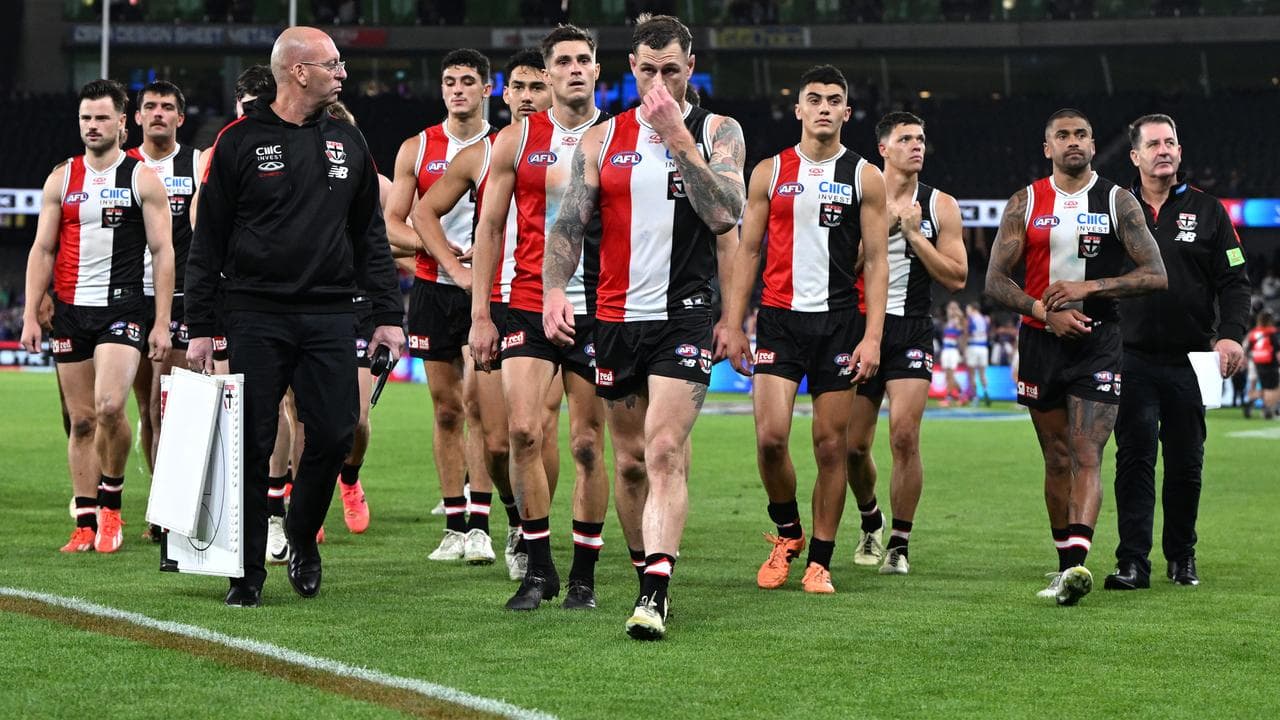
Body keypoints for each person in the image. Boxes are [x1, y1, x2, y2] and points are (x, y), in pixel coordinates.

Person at [542, 13, 746, 639]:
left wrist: (678, 139)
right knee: (628, 461)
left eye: (673, 70)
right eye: (649, 69)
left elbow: (726, 214)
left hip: (682, 314)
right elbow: (570, 225)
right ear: (630, 69)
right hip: (614, 316)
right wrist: (553, 289)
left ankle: (656, 592)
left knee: (663, 449)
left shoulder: (718, 132)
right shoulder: (600, 141)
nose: (661, 80)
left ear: (690, 68)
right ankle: (642, 574)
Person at [186, 26, 405, 608]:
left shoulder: (349, 142)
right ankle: (246, 571)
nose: (343, 74)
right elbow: (207, 242)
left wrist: (388, 313)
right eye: (332, 64)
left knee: (335, 433)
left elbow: (370, 238)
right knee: (252, 445)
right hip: (254, 313)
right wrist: (202, 326)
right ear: (298, 71)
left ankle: (303, 536)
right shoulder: (236, 141)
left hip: (331, 312)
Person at [984, 108, 1167, 606]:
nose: (1073, 142)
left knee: (1088, 453)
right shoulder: (1025, 202)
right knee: (1057, 456)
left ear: (1092, 144)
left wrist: (1090, 286)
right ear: (1048, 147)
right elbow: (995, 281)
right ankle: (1065, 564)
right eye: (1062, 135)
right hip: (1041, 341)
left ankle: (1076, 565)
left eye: (1082, 134)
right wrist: (1045, 311)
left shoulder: (1117, 200)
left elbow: (1155, 273)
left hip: (1099, 339)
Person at [717, 65, 887, 594]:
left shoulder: (865, 176)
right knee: (770, 440)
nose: (823, 108)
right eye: (813, 98)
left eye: (833, 100)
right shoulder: (769, 171)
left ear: (845, 112)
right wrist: (733, 321)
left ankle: (820, 559)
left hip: (839, 325)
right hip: (778, 320)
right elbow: (747, 249)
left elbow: (878, 262)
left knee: (830, 446)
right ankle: (788, 534)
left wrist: (873, 335)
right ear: (798, 110)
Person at [466, 26, 612, 610]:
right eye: (563, 62)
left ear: (597, 71)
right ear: (546, 75)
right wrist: (481, 314)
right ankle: (539, 569)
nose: (574, 69)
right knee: (522, 432)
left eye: (584, 60)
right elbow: (490, 229)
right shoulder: (515, 139)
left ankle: (584, 576)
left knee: (584, 444)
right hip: (526, 299)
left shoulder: (620, 137)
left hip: (603, 307)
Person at [411, 47, 560, 581]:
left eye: (536, 87)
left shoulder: (584, 148)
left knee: (551, 427)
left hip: (564, 305)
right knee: (501, 438)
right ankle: (518, 517)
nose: (527, 97)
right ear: (506, 94)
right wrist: (454, 266)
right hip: (498, 305)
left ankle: (535, 535)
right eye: (518, 88)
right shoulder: (484, 153)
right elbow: (423, 211)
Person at [20, 79, 174, 554]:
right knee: (81, 420)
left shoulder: (141, 178)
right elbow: (42, 248)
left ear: (123, 123)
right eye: (86, 117)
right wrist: (30, 313)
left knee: (111, 407)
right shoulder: (61, 178)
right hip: (70, 312)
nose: (93, 125)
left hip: (123, 308)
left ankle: (112, 501)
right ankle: (85, 522)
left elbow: (163, 250)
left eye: (103, 117)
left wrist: (162, 320)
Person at [1105, 113, 1250, 590]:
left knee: (1187, 462)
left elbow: (1234, 280)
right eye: (1154, 144)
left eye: (1171, 142)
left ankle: (1182, 556)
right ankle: (1132, 562)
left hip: (1194, 357)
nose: (1164, 150)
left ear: (1180, 152)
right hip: (1132, 355)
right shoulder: (1114, 209)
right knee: (1135, 458)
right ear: (1135, 156)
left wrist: (1230, 333)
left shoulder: (1210, 212)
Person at [384, 48, 498, 563]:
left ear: (486, 89)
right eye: (450, 80)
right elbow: (390, 225)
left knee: (480, 407)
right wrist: (438, 250)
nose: (457, 89)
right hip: (432, 289)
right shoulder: (417, 147)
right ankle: (455, 525)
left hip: (492, 291)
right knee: (447, 409)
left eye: (468, 81)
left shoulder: (505, 146)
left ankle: (483, 523)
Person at [845, 111, 966, 576]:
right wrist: (886, 231)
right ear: (883, 149)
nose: (917, 146)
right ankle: (870, 518)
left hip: (912, 327)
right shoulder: (859, 197)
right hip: (859, 329)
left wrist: (914, 233)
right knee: (854, 447)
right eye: (905, 139)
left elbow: (957, 277)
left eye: (921, 138)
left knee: (903, 435)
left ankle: (899, 541)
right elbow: (842, 268)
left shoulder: (940, 206)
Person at [126, 80, 203, 540]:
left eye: (167, 107)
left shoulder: (196, 163)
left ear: (180, 117)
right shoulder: (122, 166)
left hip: (180, 297)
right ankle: (160, 498)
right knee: (143, 405)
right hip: (125, 294)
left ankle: (168, 508)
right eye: (150, 106)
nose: (158, 113)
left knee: (166, 406)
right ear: (135, 117)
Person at [1244, 312, 1278, 419]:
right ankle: (1268, 411)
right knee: (1273, 389)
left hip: (1258, 363)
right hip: (1271, 363)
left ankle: (1252, 400)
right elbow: (1277, 350)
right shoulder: (1272, 332)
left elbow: (1248, 349)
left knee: (1264, 387)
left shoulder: (1253, 333)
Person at [964, 302, 991, 405]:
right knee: (982, 374)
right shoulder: (985, 319)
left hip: (973, 346)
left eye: (968, 308)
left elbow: (967, 333)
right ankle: (986, 392)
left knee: (971, 374)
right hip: (983, 347)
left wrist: (965, 348)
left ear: (973, 309)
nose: (967, 311)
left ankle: (975, 398)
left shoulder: (970, 318)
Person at [938, 300, 964, 405]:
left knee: (951, 375)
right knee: (948, 375)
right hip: (946, 350)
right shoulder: (948, 321)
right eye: (950, 308)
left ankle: (948, 398)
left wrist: (958, 315)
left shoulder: (957, 320)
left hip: (952, 350)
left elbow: (960, 331)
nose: (950, 310)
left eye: (953, 308)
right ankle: (962, 395)